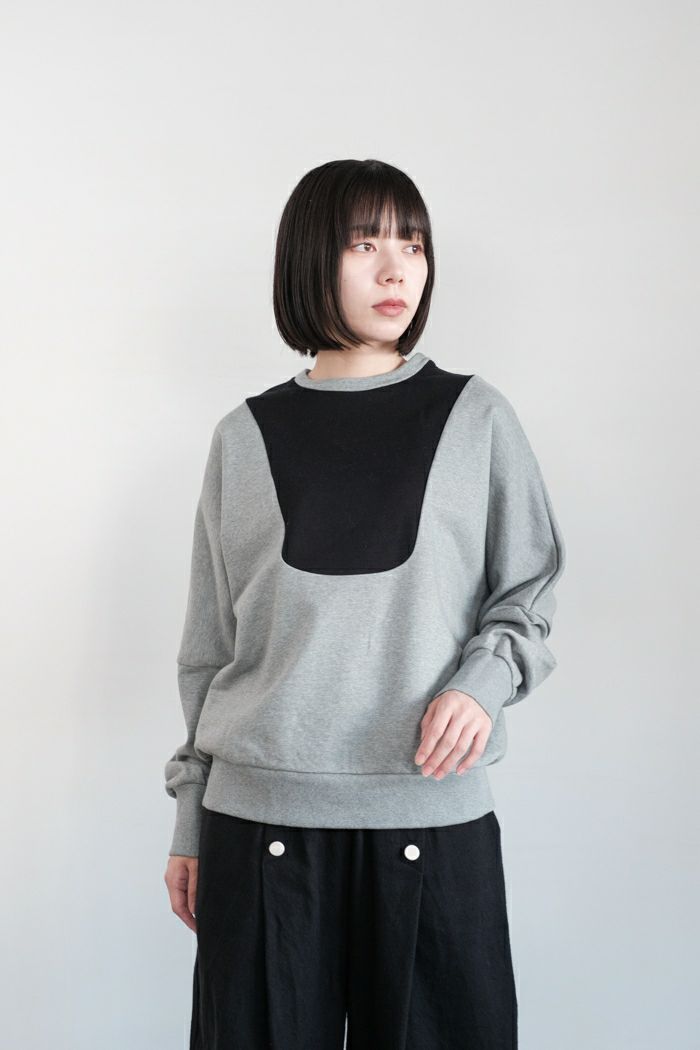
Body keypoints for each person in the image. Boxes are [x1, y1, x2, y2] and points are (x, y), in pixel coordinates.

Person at [163, 158, 566, 1050]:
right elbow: (209, 650)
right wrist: (190, 817)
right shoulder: (243, 436)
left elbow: (528, 589)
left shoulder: (476, 418)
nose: (396, 269)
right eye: (364, 243)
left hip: (431, 820)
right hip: (256, 828)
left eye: (413, 245)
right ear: (311, 257)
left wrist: (481, 684)